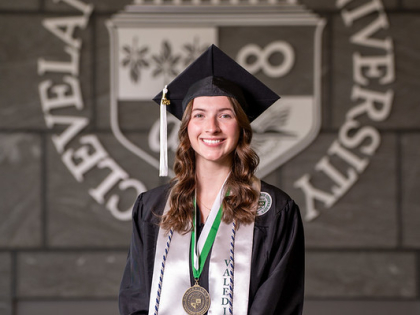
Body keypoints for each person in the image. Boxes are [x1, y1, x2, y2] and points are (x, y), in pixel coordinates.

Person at [119, 45, 305, 315]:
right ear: (187, 128)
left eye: (225, 115)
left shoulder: (274, 210)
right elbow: (134, 298)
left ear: (241, 126)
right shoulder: (152, 207)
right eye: (199, 115)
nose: (212, 127)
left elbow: (279, 303)